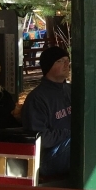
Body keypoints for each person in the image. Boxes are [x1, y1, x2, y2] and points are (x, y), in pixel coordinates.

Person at [21, 46, 71, 178]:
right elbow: (40, 137)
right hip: (47, 157)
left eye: (67, 60)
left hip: (69, 148)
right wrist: (70, 134)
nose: (67, 64)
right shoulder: (37, 98)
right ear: (48, 66)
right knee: (82, 141)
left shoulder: (71, 90)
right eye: (60, 61)